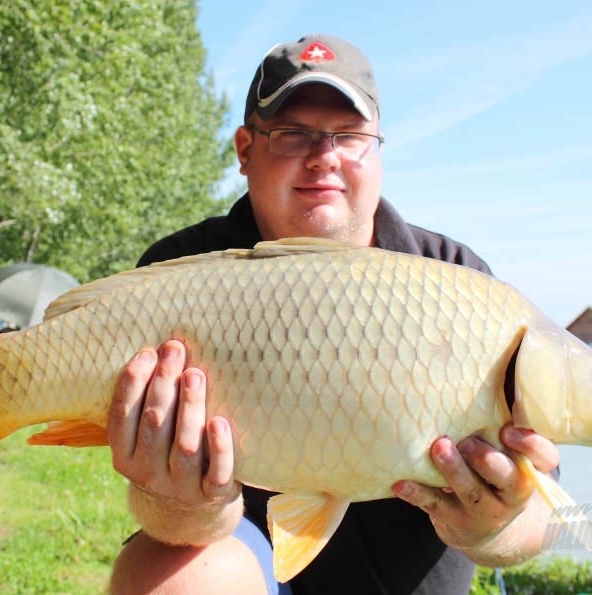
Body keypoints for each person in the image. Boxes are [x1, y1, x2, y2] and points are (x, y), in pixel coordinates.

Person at [107, 34, 560, 594]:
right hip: (245, 562)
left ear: (377, 150)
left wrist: (495, 524)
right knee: (177, 578)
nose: (325, 156)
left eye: (349, 136)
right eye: (294, 134)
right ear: (245, 149)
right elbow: (162, 513)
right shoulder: (179, 271)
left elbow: (541, 520)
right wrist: (186, 505)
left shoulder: (457, 280)